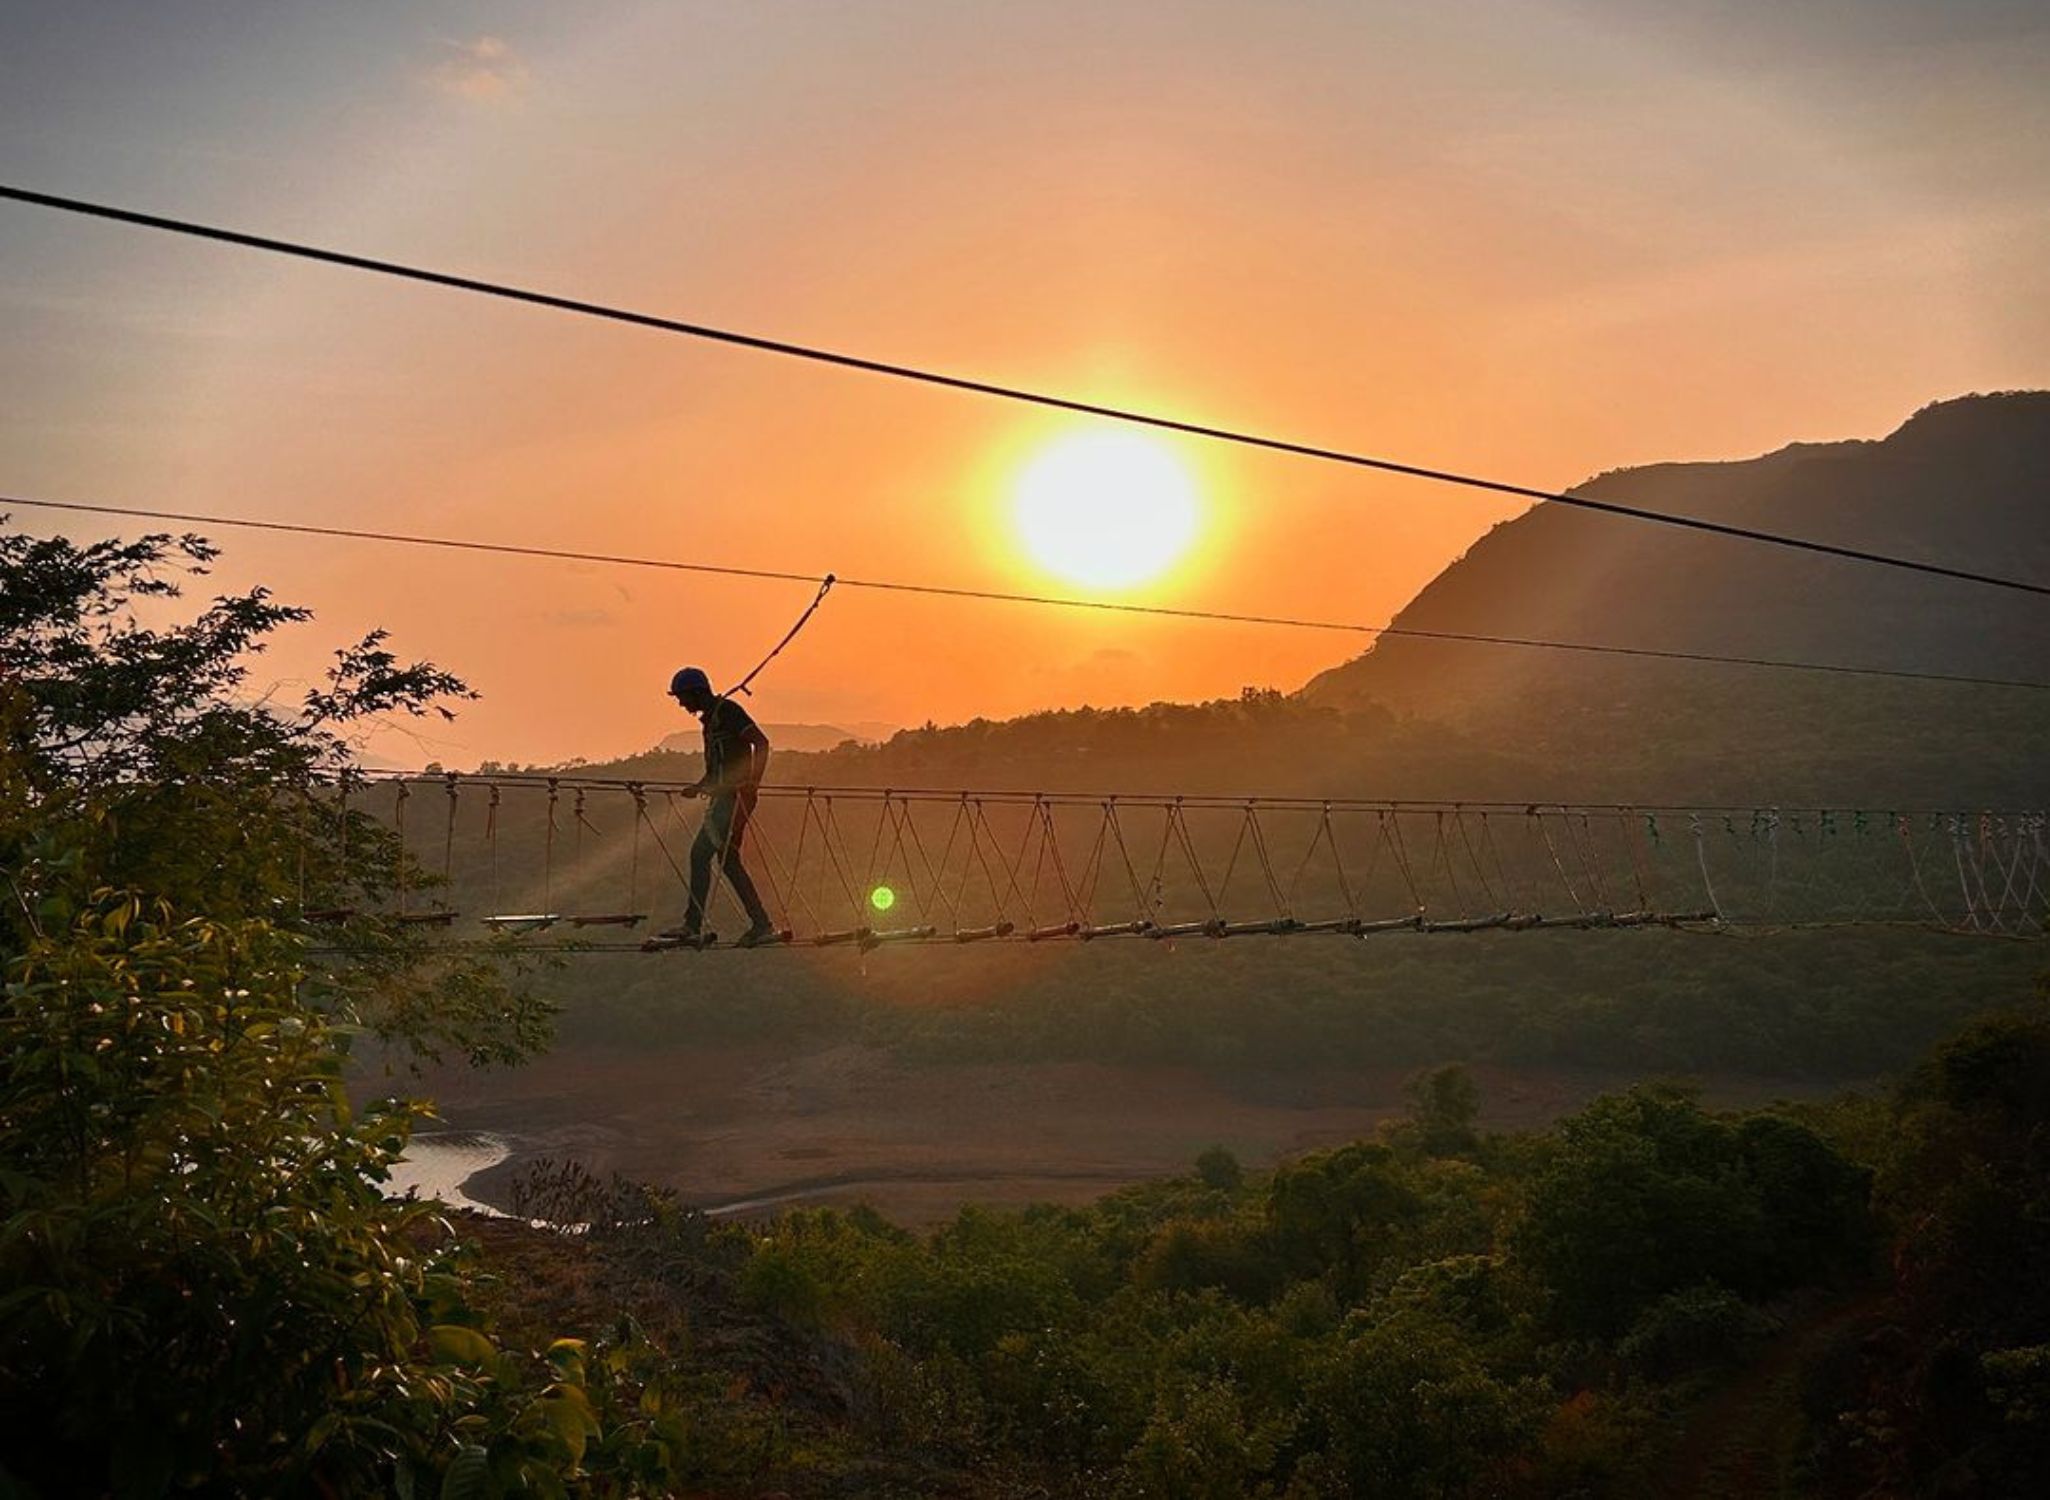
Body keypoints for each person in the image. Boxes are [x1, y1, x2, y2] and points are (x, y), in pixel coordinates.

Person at [666, 666, 778, 946]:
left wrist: (753, 781)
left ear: (696, 692)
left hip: (734, 798)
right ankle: (761, 924)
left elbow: (761, 743)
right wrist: (700, 786)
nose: (681, 703)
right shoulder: (710, 721)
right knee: (728, 861)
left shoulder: (728, 711)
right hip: (726, 796)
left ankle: (692, 925)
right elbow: (718, 768)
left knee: (699, 854)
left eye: (682, 697)